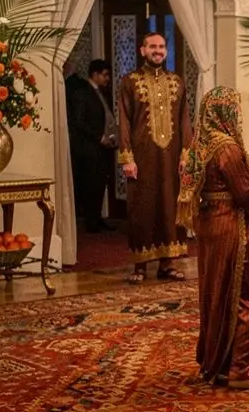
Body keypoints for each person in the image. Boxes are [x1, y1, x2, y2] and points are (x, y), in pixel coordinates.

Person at [177, 87, 249, 392]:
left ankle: (222, 364)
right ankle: (244, 370)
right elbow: (244, 192)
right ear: (226, 113)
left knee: (218, 293)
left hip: (210, 224)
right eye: (235, 109)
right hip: (232, 226)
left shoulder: (200, 145)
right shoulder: (227, 148)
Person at [118, 31, 193, 284]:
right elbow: (124, 122)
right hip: (142, 157)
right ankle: (140, 266)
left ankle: (168, 264)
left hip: (172, 159)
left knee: (170, 206)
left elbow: (185, 120)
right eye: (152, 46)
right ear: (142, 50)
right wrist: (127, 158)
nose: (157, 50)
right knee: (142, 208)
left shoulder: (177, 82)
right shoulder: (129, 81)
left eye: (161, 46)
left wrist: (186, 154)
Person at [67, 60, 118, 233]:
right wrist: (99, 137)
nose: (107, 79)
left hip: (102, 147)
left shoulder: (102, 93)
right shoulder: (82, 93)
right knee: (90, 184)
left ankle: (96, 218)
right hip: (89, 148)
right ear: (94, 74)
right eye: (104, 75)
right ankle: (91, 221)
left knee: (100, 183)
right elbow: (79, 122)